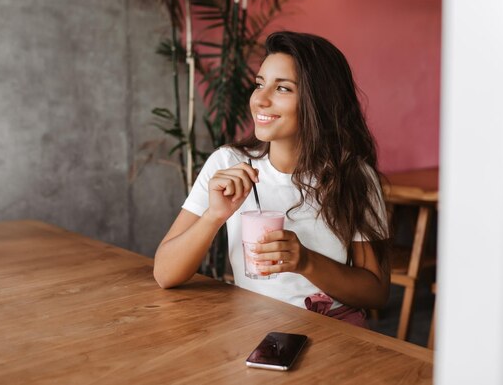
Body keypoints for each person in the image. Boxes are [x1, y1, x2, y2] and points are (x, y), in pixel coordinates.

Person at [153, 31, 390, 328]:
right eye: (259, 84)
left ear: (319, 101)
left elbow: (377, 292)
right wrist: (215, 215)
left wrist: (305, 261)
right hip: (254, 326)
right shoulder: (227, 163)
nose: (260, 100)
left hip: (335, 330)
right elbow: (164, 273)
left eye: (283, 89)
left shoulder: (355, 177)